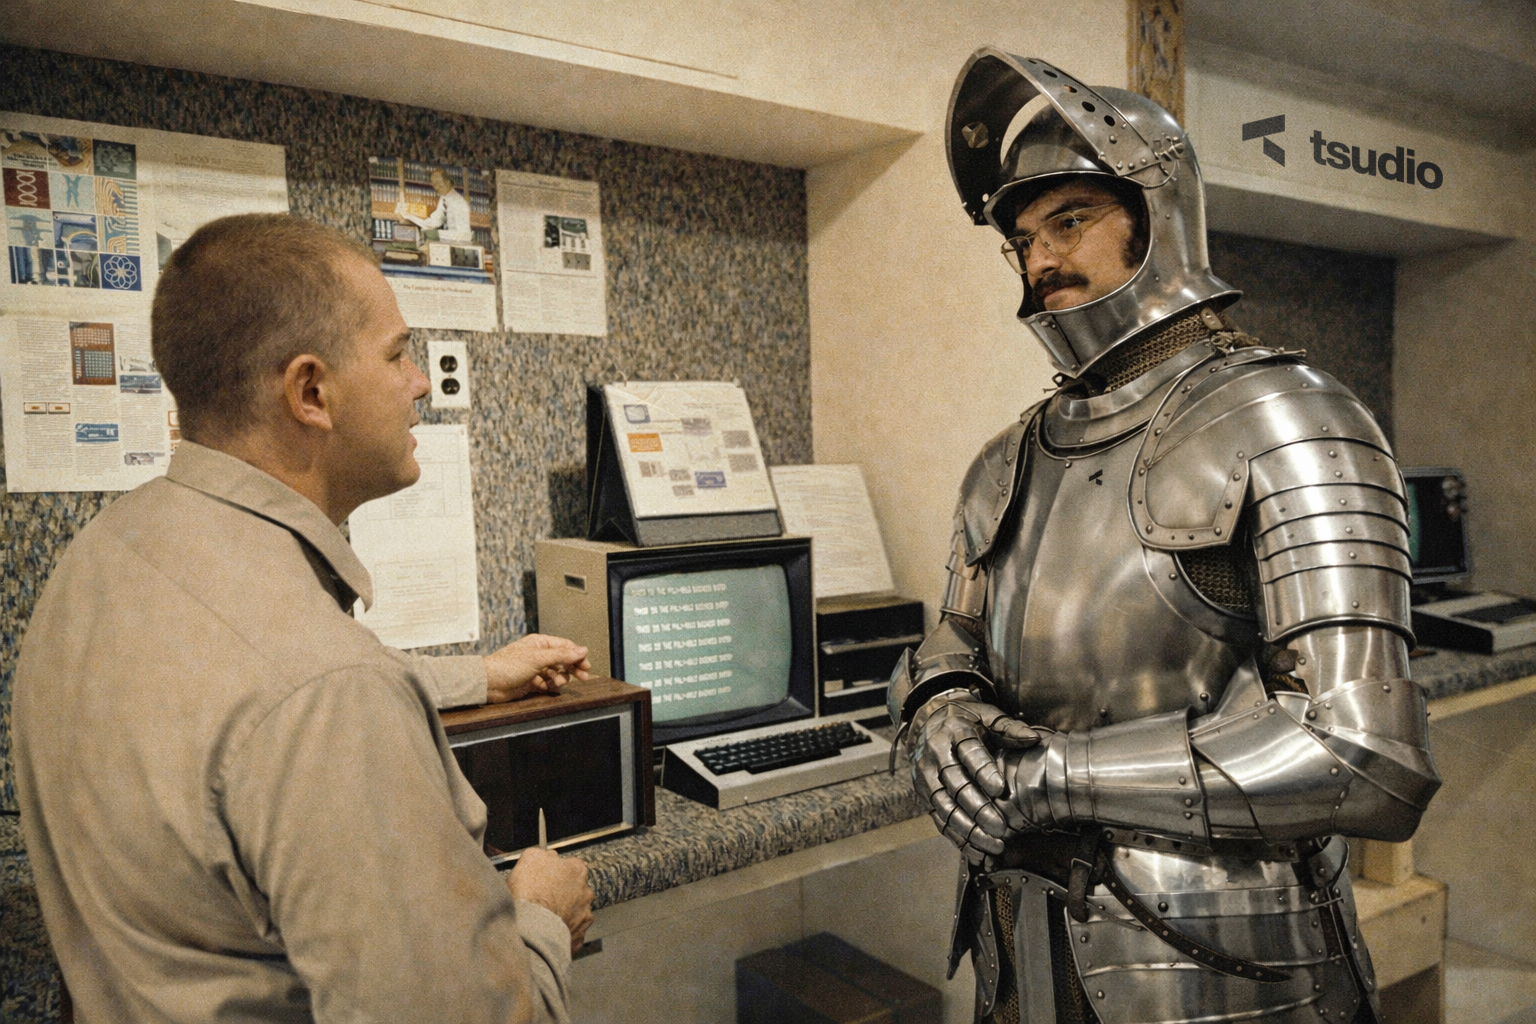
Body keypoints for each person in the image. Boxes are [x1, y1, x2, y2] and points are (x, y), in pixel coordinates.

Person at [890, 49, 1441, 1024]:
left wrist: (1053, 777)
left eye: (1069, 221)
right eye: (1022, 239)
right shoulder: (1006, 459)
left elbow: (1370, 760)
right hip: (1018, 945)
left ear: (1159, 212)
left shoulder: (1290, 420)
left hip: (1225, 957)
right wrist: (938, 712)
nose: (1041, 259)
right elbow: (955, 639)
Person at [13, 213, 594, 1023]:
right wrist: (539, 920)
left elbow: (234, 696)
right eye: (396, 354)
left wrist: (481, 676)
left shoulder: (106, 555)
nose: (419, 382)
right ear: (311, 393)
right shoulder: (329, 689)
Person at [396, 167, 474, 243]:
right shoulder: (444, 198)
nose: (436, 187)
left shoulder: (458, 202)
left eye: (438, 183)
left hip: (460, 245)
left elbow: (464, 235)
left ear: (448, 181)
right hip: (449, 242)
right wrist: (409, 217)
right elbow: (435, 221)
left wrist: (437, 234)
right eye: (434, 184)